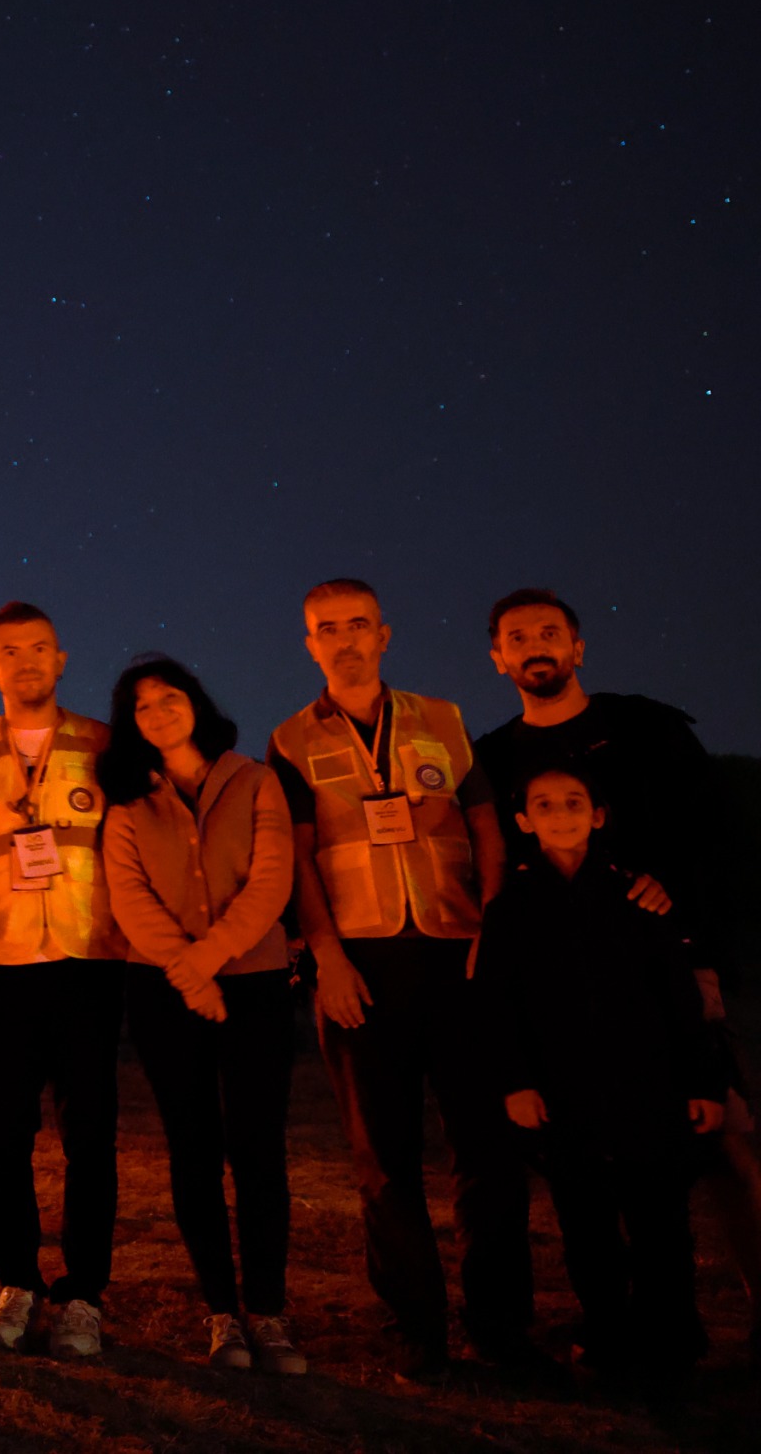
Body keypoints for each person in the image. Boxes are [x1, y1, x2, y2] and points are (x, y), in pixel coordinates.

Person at [474, 587, 761, 1350]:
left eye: (550, 633)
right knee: (593, 1179)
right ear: (498, 658)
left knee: (726, 1139)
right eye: (518, 637)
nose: (536, 647)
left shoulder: (646, 729)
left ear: (577, 648)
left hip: (667, 962)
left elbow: (713, 844)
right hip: (564, 999)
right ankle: (617, 1319)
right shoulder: (494, 756)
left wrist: (702, 947)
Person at [268, 578, 536, 1380]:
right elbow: (301, 858)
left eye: (358, 625)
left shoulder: (442, 721)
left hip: (458, 950)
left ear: (384, 633)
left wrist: (495, 927)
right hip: (362, 961)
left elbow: (485, 823)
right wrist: (327, 958)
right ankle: (417, 1333)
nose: (344, 639)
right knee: (383, 1160)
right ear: (309, 644)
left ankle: (501, 1330)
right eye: (327, 629)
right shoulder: (289, 739)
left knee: (487, 1150)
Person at [477, 766, 727, 1387]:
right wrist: (514, 1082)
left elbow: (680, 1002)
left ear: (598, 814)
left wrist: (704, 1084)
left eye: (574, 801)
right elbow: (496, 1003)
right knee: (585, 1223)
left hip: (650, 1087)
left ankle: (670, 1340)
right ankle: (607, 1334)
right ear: (524, 821)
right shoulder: (511, 908)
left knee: (660, 1220)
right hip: (562, 1093)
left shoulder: (639, 898)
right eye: (544, 804)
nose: (560, 813)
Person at [99, 657, 305, 1375]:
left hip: (251, 981)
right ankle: (223, 1314)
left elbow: (272, 879)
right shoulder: (126, 803)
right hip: (162, 989)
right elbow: (127, 898)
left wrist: (207, 962)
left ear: (197, 703)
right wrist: (186, 977)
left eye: (169, 697)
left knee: (258, 1148)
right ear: (131, 723)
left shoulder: (254, 780)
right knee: (193, 1149)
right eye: (142, 706)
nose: (158, 712)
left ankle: (270, 1313)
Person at [0, 603, 124, 1360]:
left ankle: (84, 1295)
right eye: (9, 652)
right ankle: (16, 1284)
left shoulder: (105, 746)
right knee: (4, 1140)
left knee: (90, 1138)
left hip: (90, 960)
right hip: (7, 968)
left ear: (61, 661)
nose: (25, 662)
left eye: (39, 650)